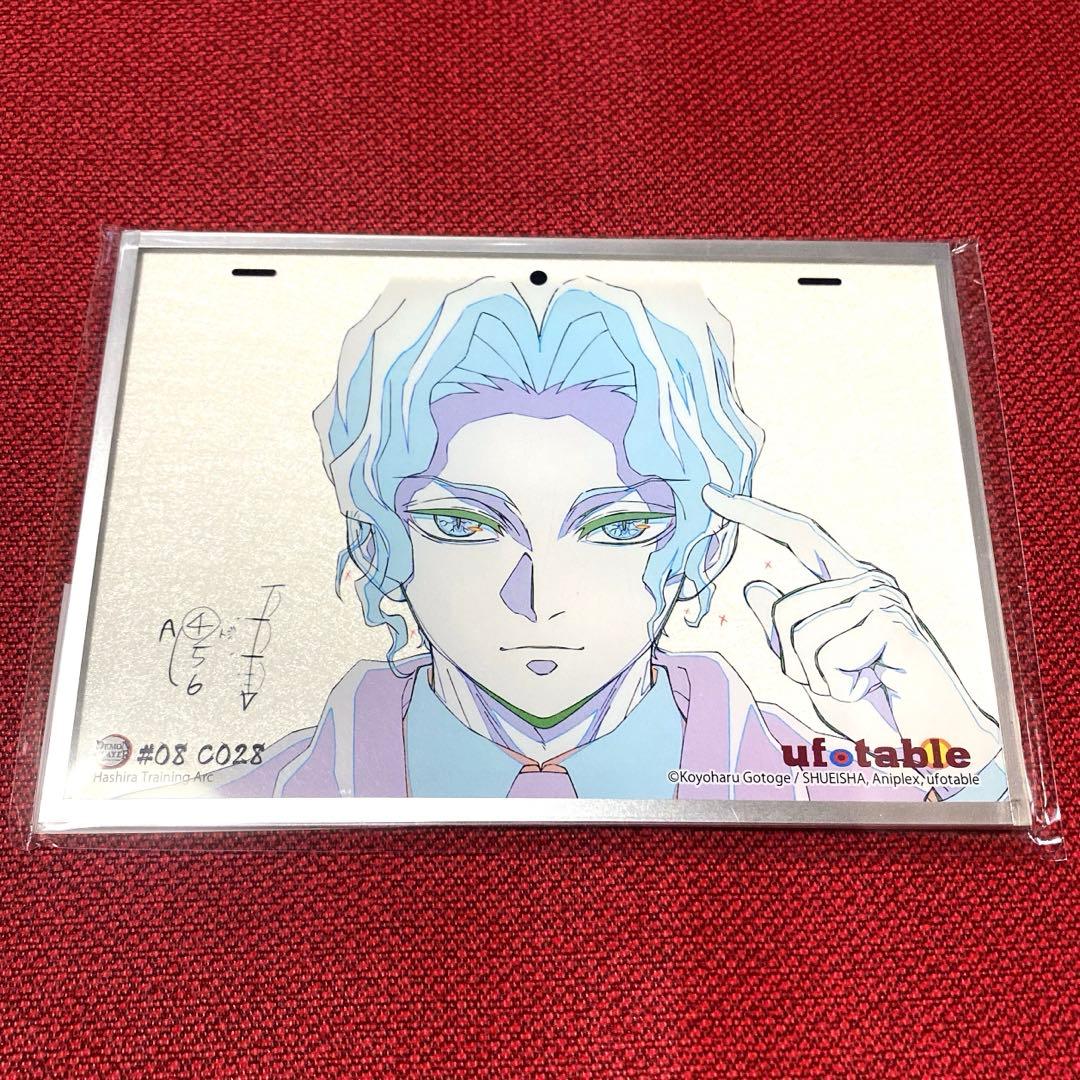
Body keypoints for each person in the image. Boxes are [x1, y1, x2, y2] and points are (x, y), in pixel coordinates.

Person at [210, 274, 1007, 801]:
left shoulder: (847, 786)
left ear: (704, 549)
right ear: (378, 545)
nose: (540, 598)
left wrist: (963, 752)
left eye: (618, 527)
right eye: (464, 525)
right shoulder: (243, 804)